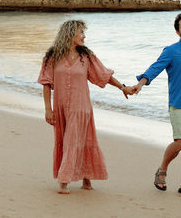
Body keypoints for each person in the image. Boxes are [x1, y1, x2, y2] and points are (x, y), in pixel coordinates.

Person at [123, 12, 181, 197]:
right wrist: (140, 84)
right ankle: (162, 170)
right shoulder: (171, 51)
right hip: (179, 104)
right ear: (177, 31)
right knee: (180, 142)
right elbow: (155, 68)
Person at [38, 19, 130, 194]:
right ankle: (86, 180)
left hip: (81, 107)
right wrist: (48, 109)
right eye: (81, 32)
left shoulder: (86, 57)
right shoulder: (52, 56)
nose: (84, 36)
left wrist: (123, 87)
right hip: (61, 108)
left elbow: (104, 75)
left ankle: (64, 181)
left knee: (75, 140)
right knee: (77, 140)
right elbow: (46, 83)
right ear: (70, 33)